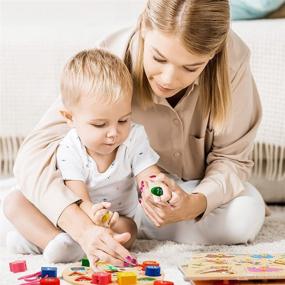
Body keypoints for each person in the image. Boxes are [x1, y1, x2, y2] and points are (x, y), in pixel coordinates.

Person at [1, 0, 265, 269]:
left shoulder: (233, 60)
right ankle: (91, 234)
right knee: (14, 202)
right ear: (143, 28)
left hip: (174, 198)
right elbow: (34, 154)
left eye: (191, 67)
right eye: (159, 58)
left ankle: (108, 233)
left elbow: (232, 159)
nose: (169, 79)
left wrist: (193, 205)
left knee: (246, 214)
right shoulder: (109, 61)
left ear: (214, 54)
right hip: (104, 199)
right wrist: (82, 226)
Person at [2, 48, 172, 264]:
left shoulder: (134, 137)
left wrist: (158, 190)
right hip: (76, 214)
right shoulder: (70, 147)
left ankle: (42, 243)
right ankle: (55, 240)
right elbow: (78, 197)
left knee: (129, 231)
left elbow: (148, 175)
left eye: (123, 120)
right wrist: (91, 215)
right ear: (70, 118)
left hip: (116, 220)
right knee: (13, 202)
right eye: (100, 124)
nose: (114, 133)